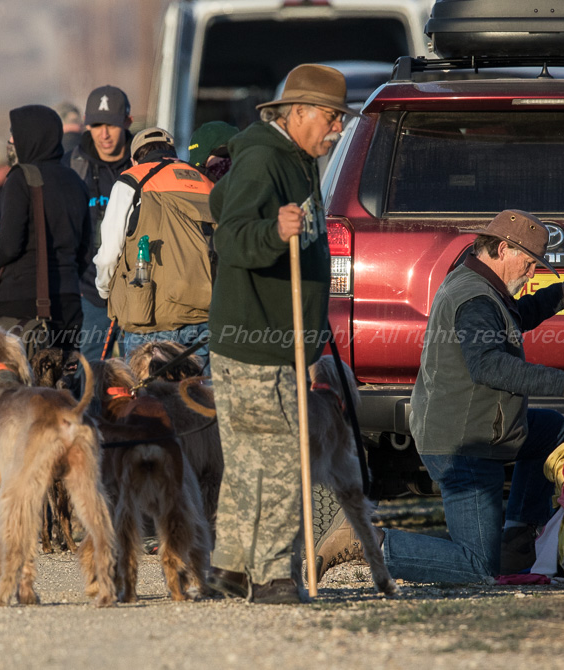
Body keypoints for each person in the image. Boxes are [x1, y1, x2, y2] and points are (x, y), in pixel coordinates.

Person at [321, 210, 564, 584]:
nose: (532, 273)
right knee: (477, 568)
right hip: (463, 445)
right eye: (530, 263)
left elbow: (516, 317)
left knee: (550, 430)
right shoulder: (476, 299)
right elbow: (489, 366)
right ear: (504, 249)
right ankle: (367, 540)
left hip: (482, 428)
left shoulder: (481, 284)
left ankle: (518, 538)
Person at [203, 64, 353, 604]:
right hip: (259, 339)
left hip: (266, 340)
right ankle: (270, 575)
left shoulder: (290, 158)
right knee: (284, 458)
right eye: (331, 117)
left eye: (339, 118)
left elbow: (221, 202)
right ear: (300, 112)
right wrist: (273, 231)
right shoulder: (266, 158)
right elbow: (231, 236)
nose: (337, 128)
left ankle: (230, 569)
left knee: (249, 460)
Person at [94, 127, 215, 373]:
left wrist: (104, 290)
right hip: (203, 316)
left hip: (149, 318)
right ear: (172, 153)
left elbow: (108, 254)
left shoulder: (131, 180)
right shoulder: (205, 181)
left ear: (134, 159)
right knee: (196, 393)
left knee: (149, 394)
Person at [0, 104, 93, 354]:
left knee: (21, 377)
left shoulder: (21, 178)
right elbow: (86, 250)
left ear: (30, 136)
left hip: (23, 304)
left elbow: (8, 245)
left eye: (14, 134)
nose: (10, 141)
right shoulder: (75, 181)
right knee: (63, 374)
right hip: (69, 301)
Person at [63, 85, 134, 361]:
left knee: (138, 374)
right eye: (96, 125)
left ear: (127, 122)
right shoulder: (71, 167)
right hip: (89, 294)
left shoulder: (143, 164)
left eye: (112, 125)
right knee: (89, 374)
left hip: (136, 293)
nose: (104, 134)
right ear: (86, 124)